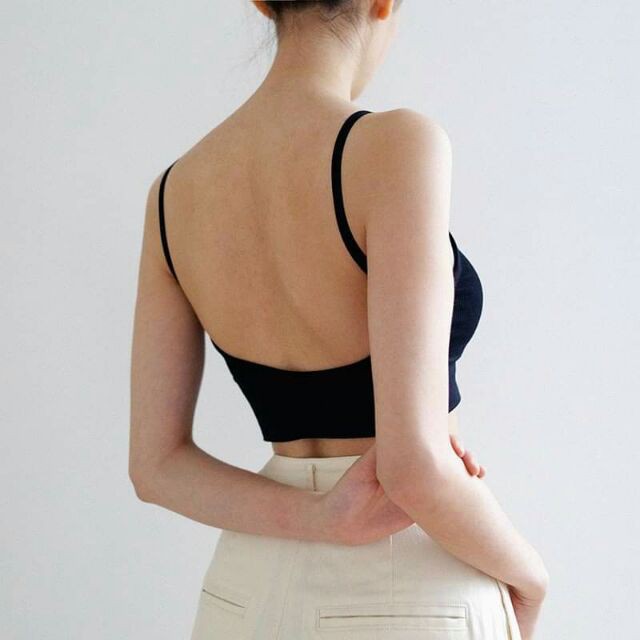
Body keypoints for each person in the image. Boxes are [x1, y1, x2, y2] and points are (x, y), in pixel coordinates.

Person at [129, 1, 549, 638]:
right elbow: (413, 468)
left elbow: (155, 466)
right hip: (407, 583)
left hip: (247, 588)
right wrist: (531, 579)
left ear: (262, 2)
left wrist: (321, 518)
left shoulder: (171, 192)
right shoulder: (395, 145)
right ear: (384, 3)